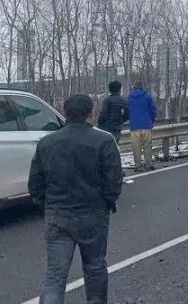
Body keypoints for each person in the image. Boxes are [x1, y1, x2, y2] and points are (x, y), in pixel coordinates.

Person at [29, 94, 123, 304]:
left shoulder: (46, 143)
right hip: (93, 212)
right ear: (91, 113)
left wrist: (47, 203)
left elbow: (35, 184)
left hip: (57, 214)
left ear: (65, 113)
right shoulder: (104, 140)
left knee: (55, 276)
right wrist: (107, 201)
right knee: (95, 267)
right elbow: (114, 180)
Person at [127, 82, 157, 172]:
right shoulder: (147, 97)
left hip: (134, 126)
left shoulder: (129, 98)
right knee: (147, 145)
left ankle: (138, 166)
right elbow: (153, 109)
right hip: (146, 125)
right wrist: (151, 120)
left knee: (136, 146)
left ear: (134, 88)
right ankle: (148, 164)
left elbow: (126, 110)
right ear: (142, 87)